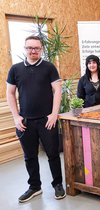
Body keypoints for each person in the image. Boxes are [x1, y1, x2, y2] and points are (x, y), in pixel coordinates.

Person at [6, 35, 66, 202]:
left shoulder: (49, 67)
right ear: (25, 48)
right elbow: (10, 93)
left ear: (41, 49)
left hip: (47, 120)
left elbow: (58, 91)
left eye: (37, 48)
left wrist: (54, 114)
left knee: (53, 154)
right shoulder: (15, 69)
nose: (33, 51)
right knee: (29, 156)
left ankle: (57, 185)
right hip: (25, 122)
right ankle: (34, 187)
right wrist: (16, 117)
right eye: (30, 48)